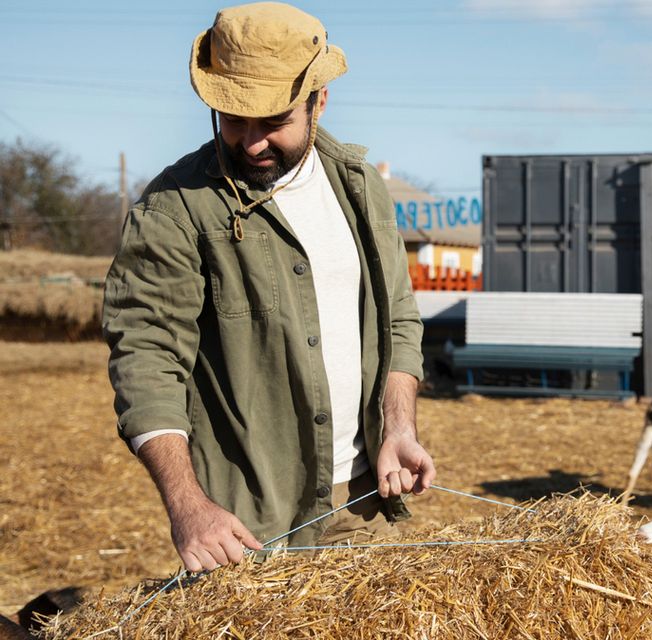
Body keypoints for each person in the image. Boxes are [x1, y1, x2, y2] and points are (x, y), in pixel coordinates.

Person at [103, 1, 435, 573]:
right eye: (234, 120)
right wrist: (188, 507)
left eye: (274, 122)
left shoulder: (361, 187)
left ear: (319, 101)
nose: (252, 143)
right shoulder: (174, 208)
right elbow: (146, 357)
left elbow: (398, 319)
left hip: (359, 502)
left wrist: (399, 424)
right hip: (244, 528)